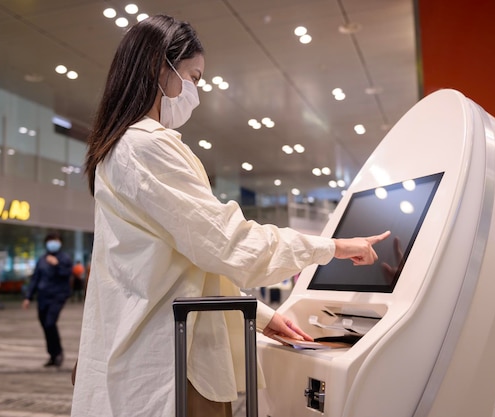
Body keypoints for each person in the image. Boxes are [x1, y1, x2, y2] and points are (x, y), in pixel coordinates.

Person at [70, 15, 390, 417]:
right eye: (193, 76)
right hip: (171, 360)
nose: (195, 92)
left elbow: (191, 259)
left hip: (157, 349)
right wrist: (334, 246)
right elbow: (228, 242)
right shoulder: (145, 147)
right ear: (158, 67)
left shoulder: (123, 148)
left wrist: (261, 315)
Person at [22, 232, 72, 367]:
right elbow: (35, 279)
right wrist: (28, 297)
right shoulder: (42, 259)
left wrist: (57, 265)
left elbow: (67, 274)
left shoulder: (64, 258)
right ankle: (52, 354)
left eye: (56, 240)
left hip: (58, 296)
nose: (53, 243)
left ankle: (59, 352)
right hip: (43, 297)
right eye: (51, 240)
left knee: (50, 323)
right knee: (45, 325)